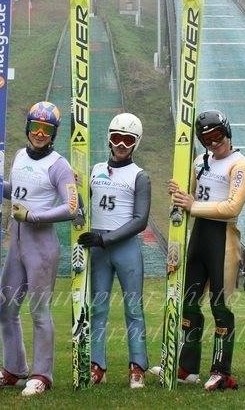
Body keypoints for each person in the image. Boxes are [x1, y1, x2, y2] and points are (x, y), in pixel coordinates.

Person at [0, 101, 78, 397]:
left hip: (42, 244)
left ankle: (41, 374)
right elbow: (17, 191)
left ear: (54, 134)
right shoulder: (21, 155)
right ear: (27, 127)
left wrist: (33, 216)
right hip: (17, 240)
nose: (39, 134)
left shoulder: (59, 165)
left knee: (39, 310)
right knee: (6, 309)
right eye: (35, 127)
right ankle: (14, 368)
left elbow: (71, 207)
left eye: (46, 130)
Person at [167, 110, 245, 391]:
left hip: (223, 237)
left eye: (217, 136)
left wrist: (192, 205)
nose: (214, 143)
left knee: (221, 306)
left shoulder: (241, 165)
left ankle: (221, 371)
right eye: (206, 139)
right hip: (198, 235)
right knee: (189, 304)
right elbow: (186, 196)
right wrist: (178, 193)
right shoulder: (200, 160)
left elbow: (232, 206)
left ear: (227, 133)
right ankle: (187, 367)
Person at [78, 113, 151, 389]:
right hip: (98, 247)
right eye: (116, 138)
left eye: (128, 140)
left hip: (124, 247)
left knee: (133, 308)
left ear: (135, 143)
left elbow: (140, 220)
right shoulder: (95, 168)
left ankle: (137, 366)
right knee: (98, 308)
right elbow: (83, 204)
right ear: (109, 138)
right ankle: (97, 364)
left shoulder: (140, 176)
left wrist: (105, 240)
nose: (121, 144)